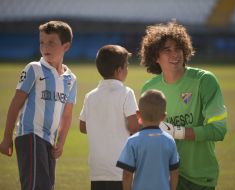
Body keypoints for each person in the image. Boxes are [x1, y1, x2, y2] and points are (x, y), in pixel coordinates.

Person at [139, 21, 227, 190]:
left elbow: (219, 130)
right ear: (155, 57)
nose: (175, 54)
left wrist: (176, 132)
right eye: (167, 50)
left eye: (178, 48)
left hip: (198, 176)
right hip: (164, 174)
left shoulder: (204, 81)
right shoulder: (149, 88)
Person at [0, 20, 77, 190]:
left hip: (49, 141)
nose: (45, 47)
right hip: (30, 135)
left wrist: (61, 143)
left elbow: (67, 115)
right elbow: (15, 104)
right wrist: (6, 138)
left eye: (51, 43)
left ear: (66, 46)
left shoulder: (71, 79)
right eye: (42, 42)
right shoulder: (34, 69)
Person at [79, 44, 139, 190]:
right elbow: (134, 127)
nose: (127, 70)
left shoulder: (90, 96)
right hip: (121, 168)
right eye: (126, 66)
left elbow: (82, 127)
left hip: (97, 169)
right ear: (119, 70)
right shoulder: (126, 93)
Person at [117, 89, 179, 190]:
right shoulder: (170, 140)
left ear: (138, 114)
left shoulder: (132, 141)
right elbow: (174, 172)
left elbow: (127, 174)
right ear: (163, 117)